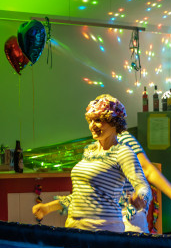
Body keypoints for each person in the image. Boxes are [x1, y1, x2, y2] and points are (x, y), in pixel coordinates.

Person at [32, 95, 151, 232]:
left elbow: (143, 186)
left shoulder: (122, 152)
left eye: (98, 120)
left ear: (114, 122)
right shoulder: (90, 151)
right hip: (75, 229)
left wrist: (141, 198)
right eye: (91, 120)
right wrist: (48, 208)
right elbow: (81, 195)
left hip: (103, 231)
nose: (92, 126)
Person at [117, 127, 171, 233]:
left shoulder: (122, 139)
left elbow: (147, 169)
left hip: (127, 218)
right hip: (105, 218)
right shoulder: (97, 148)